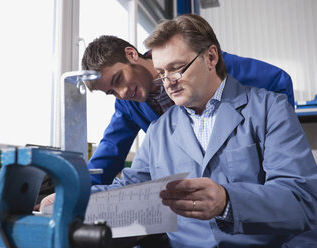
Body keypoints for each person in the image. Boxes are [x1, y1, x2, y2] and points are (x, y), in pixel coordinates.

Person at [89, 14, 317, 247]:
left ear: (210, 57)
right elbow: (130, 188)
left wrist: (227, 201)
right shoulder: (158, 130)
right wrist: (73, 198)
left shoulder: (269, 108)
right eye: (162, 73)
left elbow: (301, 200)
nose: (168, 81)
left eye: (177, 68)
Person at [82, 35, 294, 185]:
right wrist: (79, 189)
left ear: (131, 54)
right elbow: (110, 149)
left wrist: (276, 144)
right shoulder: (128, 104)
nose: (122, 92)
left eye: (118, 79)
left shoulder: (205, 64)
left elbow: (278, 80)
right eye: (111, 92)